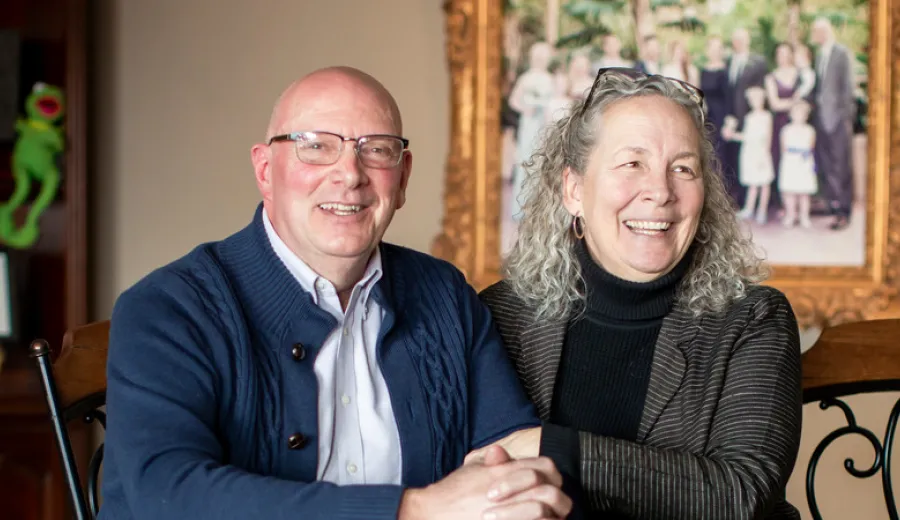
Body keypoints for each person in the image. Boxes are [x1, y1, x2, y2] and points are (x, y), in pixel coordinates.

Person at [98, 66, 573, 520]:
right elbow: (170, 496)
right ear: (264, 170)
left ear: (403, 178)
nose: (350, 174)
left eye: (377, 150)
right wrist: (414, 511)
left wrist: (513, 487)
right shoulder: (168, 309)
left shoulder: (444, 296)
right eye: (315, 146)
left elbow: (509, 450)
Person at [474, 68, 803, 519]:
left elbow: (742, 493)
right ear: (573, 190)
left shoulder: (754, 319)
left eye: (683, 168)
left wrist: (557, 449)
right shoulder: (501, 314)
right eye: (633, 163)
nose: (661, 192)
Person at [730, 86, 775, 224]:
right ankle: (749, 208)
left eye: (758, 99)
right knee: (752, 183)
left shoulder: (766, 116)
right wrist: (732, 135)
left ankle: (762, 210)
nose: (755, 102)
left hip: (761, 151)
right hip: (749, 151)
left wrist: (765, 154)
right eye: (752, 100)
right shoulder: (749, 117)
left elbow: (768, 137)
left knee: (764, 182)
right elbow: (747, 136)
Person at [778, 100, 818, 228]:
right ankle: (790, 215)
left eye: (802, 114)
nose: (799, 116)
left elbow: (811, 147)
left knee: (804, 192)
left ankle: (804, 216)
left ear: (806, 116)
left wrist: (805, 156)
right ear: (791, 115)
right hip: (790, 162)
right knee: (790, 191)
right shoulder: (786, 130)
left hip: (804, 163)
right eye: (796, 113)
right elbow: (783, 148)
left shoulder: (810, 130)